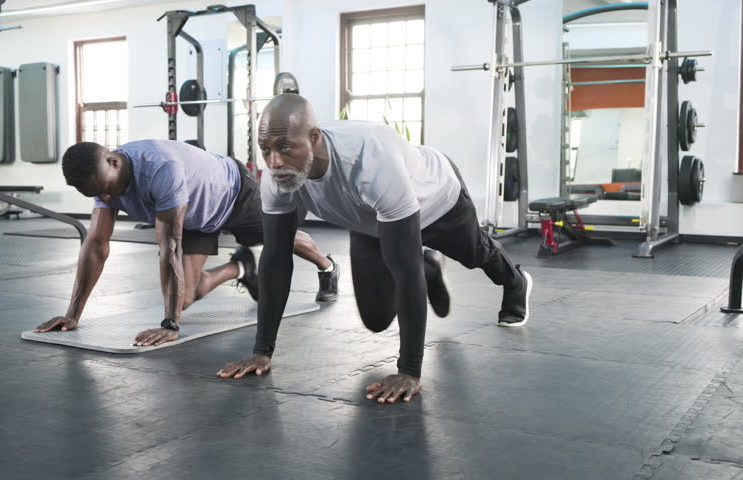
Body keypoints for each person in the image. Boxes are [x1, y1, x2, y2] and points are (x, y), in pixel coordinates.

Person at [217, 94, 531, 404]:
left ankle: (515, 281)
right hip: (370, 220)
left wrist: (409, 371)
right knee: (377, 319)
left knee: (475, 252)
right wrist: (261, 351)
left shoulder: (369, 160)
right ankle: (430, 267)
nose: (274, 161)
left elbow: (404, 269)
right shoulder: (278, 176)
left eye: (284, 148)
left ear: (314, 138)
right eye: (265, 149)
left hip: (437, 200)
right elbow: (275, 259)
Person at [32, 140, 340, 346]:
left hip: (233, 194)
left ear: (113, 161)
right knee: (184, 297)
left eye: (107, 190)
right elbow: (97, 245)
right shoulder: (104, 183)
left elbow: (170, 247)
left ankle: (328, 267)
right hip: (192, 217)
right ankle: (242, 268)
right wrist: (73, 313)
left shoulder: (160, 169)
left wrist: (170, 324)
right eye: (100, 196)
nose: (109, 199)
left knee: (281, 238)